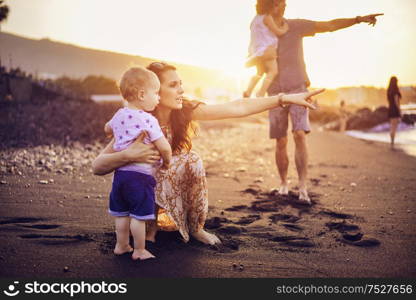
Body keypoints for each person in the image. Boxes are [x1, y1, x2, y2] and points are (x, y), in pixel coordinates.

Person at [93, 61, 323, 246]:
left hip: (161, 191)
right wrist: (128, 155)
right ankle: (147, 225)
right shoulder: (136, 122)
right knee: (149, 169)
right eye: (173, 85)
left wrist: (284, 99)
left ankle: (195, 228)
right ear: (154, 91)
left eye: (180, 83)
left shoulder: (183, 112)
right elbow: (98, 166)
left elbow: (238, 107)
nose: (181, 90)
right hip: (137, 194)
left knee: (190, 160)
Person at [267, 0, 383, 204]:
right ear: (269, 6)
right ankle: (284, 183)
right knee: (281, 140)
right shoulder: (262, 30)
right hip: (275, 90)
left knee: (300, 134)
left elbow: (328, 26)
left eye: (285, 2)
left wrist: (358, 20)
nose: (284, 5)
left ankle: (302, 187)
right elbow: (255, 56)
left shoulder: (296, 25)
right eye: (279, 3)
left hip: (298, 88)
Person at [104, 66, 172, 260]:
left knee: (122, 214)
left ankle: (121, 245)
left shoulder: (119, 114)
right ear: (142, 94)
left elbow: (107, 129)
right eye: (156, 93)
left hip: (120, 176)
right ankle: (139, 250)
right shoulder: (148, 120)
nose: (158, 98)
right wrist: (166, 162)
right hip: (140, 177)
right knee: (138, 217)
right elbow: (165, 147)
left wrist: (112, 131)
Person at [243, 0, 288, 98]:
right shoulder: (267, 17)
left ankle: (248, 91)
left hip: (257, 51)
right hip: (268, 49)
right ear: (270, 6)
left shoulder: (255, 19)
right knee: (273, 71)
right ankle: (261, 93)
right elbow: (278, 31)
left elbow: (253, 37)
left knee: (259, 72)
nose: (276, 8)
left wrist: (250, 52)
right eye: (275, 5)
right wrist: (285, 28)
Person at [387, 76, 402, 148]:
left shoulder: (389, 91)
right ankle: (392, 144)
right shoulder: (395, 91)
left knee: (392, 127)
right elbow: (396, 102)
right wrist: (400, 111)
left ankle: (391, 143)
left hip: (390, 109)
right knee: (394, 127)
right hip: (395, 110)